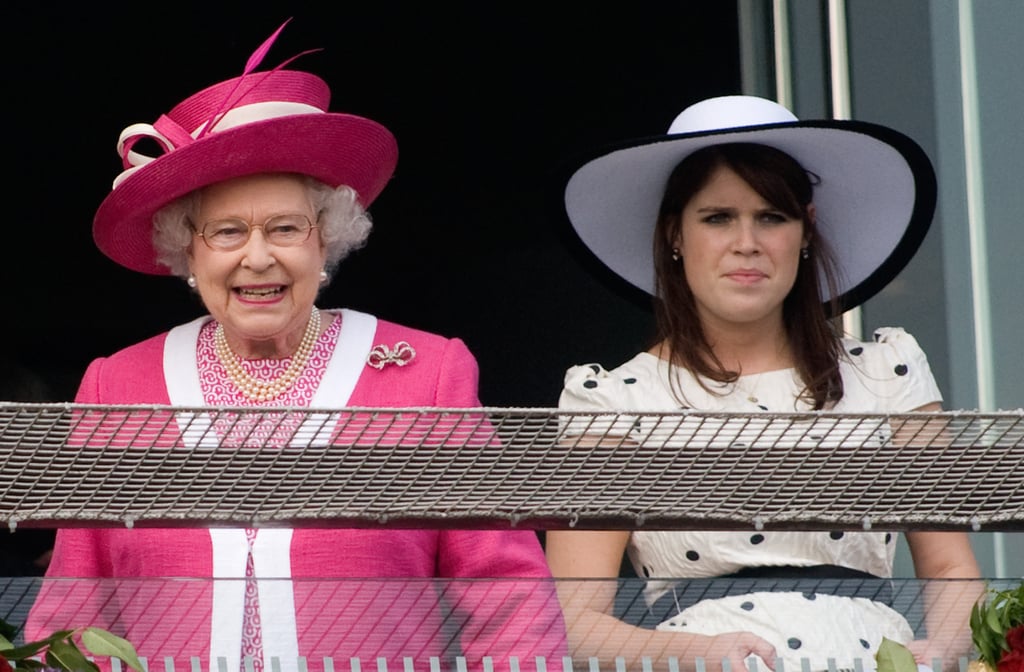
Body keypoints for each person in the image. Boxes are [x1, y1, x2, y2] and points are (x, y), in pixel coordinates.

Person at [25, 21, 565, 672]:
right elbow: (75, 618)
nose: (259, 257)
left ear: (324, 240)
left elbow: (508, 603)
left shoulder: (426, 373)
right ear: (187, 250)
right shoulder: (117, 385)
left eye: (285, 227)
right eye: (227, 232)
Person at [545, 95, 980, 671]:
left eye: (772, 216)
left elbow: (952, 569)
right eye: (717, 217)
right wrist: (690, 654)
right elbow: (569, 621)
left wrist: (943, 651)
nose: (746, 242)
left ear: (806, 230)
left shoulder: (887, 371)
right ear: (675, 233)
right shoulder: (614, 399)